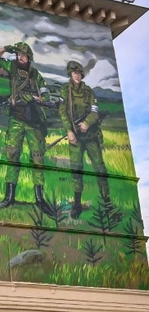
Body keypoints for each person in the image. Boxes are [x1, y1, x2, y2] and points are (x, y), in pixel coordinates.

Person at [0, 42, 51, 211]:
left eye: (22, 55)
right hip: (16, 119)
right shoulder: (12, 67)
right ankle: (9, 197)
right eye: (17, 55)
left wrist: (35, 98)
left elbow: (45, 94)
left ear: (29, 57)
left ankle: (39, 199)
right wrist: (6, 49)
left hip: (33, 121)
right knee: (12, 155)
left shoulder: (35, 74)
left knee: (37, 158)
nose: (19, 58)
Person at [59, 60, 110, 218]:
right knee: (76, 170)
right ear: (70, 74)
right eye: (74, 73)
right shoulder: (64, 91)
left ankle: (107, 203)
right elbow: (62, 112)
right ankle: (77, 205)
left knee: (100, 169)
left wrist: (87, 123)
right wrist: (69, 131)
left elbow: (95, 111)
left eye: (79, 73)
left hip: (90, 136)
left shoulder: (89, 92)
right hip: (75, 138)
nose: (77, 75)